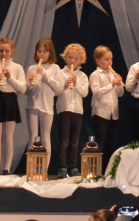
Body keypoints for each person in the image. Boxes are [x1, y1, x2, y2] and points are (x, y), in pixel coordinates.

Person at [0, 37, 26, 176]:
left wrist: (9, 77)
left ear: (12, 52)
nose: (3, 54)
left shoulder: (17, 67)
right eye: (1, 51)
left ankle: (6, 169)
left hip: (10, 101)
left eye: (7, 51)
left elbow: (22, 89)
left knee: (8, 138)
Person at [26, 38, 63, 169]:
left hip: (47, 107)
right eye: (39, 51)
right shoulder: (32, 68)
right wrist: (29, 83)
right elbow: (27, 90)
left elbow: (59, 88)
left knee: (46, 137)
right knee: (32, 137)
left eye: (45, 51)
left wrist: (45, 74)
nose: (41, 54)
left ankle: (44, 169)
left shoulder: (55, 68)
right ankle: (31, 168)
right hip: (32, 105)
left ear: (50, 52)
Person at [56, 43, 89, 179]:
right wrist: (64, 85)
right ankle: (62, 167)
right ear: (65, 58)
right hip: (64, 110)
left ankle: (73, 167)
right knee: (64, 141)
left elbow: (84, 93)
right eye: (70, 57)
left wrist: (75, 85)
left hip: (77, 111)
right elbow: (56, 91)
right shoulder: (60, 73)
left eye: (76, 58)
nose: (72, 61)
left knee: (74, 141)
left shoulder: (82, 76)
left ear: (80, 60)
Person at [90, 45, 125, 170]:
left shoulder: (112, 74)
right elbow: (96, 93)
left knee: (111, 145)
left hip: (113, 115)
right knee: (100, 144)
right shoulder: (95, 75)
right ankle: (96, 170)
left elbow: (120, 94)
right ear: (98, 60)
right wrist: (111, 85)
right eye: (106, 59)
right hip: (100, 114)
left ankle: (106, 171)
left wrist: (119, 84)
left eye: (111, 59)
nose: (110, 62)